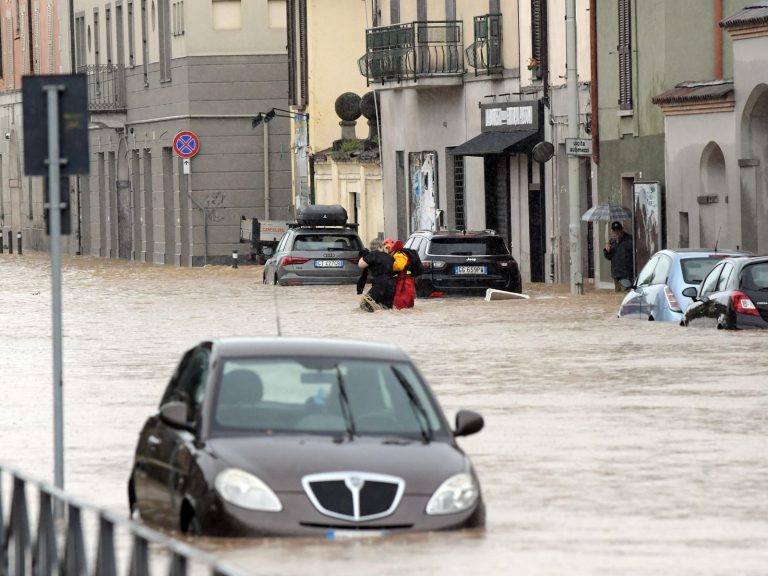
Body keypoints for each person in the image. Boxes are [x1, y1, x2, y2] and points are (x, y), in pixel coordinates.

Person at [357, 239, 395, 312]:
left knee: (364, 306)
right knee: (386, 309)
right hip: (391, 285)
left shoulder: (373, 254)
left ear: (371, 247)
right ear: (381, 246)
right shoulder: (389, 256)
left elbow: (361, 265)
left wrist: (363, 255)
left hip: (379, 285)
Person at [383, 238, 416, 309]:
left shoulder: (398, 254)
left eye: (389, 247)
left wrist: (388, 266)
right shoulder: (395, 254)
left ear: (392, 246)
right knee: (406, 308)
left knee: (400, 307)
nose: (388, 249)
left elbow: (399, 266)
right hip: (404, 282)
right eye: (386, 248)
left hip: (404, 283)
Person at [603, 221, 634, 291]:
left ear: (622, 229)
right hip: (616, 274)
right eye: (614, 231)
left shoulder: (629, 240)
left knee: (625, 294)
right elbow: (608, 257)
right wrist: (606, 250)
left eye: (618, 230)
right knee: (617, 295)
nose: (617, 232)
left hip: (626, 275)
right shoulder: (612, 242)